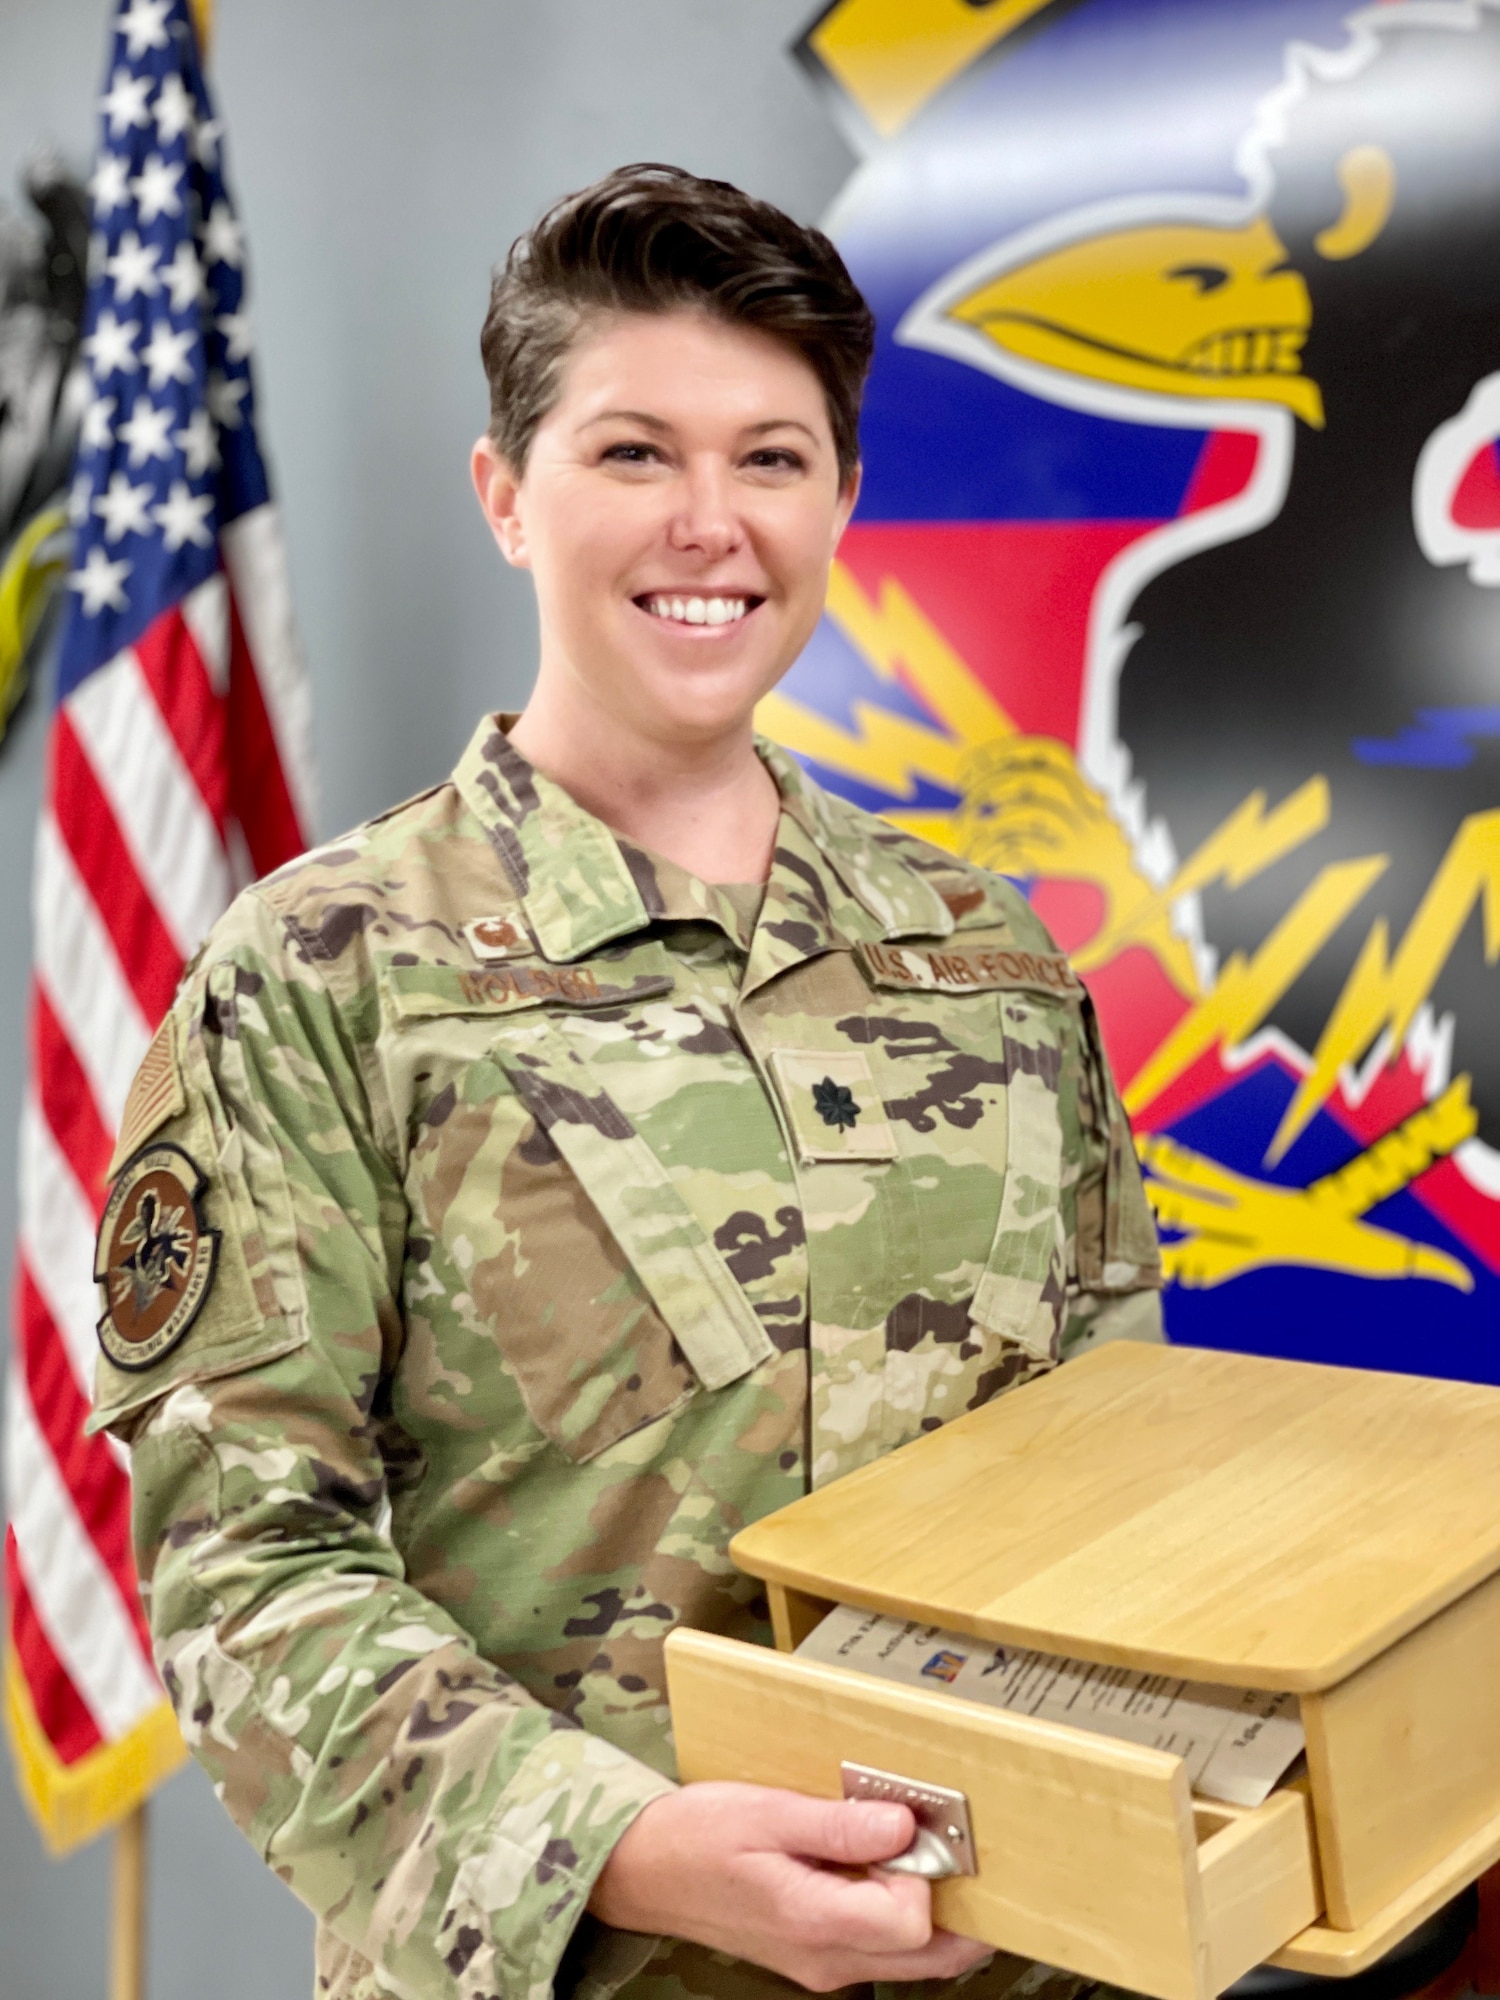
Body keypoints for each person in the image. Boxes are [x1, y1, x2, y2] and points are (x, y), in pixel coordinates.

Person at [90, 164, 1163, 2000]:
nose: (709, 524)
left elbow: (1114, 1468)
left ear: (841, 499)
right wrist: (622, 1855)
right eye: (633, 453)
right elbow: (243, 1573)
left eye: (771, 458)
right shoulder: (323, 975)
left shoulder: (992, 961)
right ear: (507, 494)